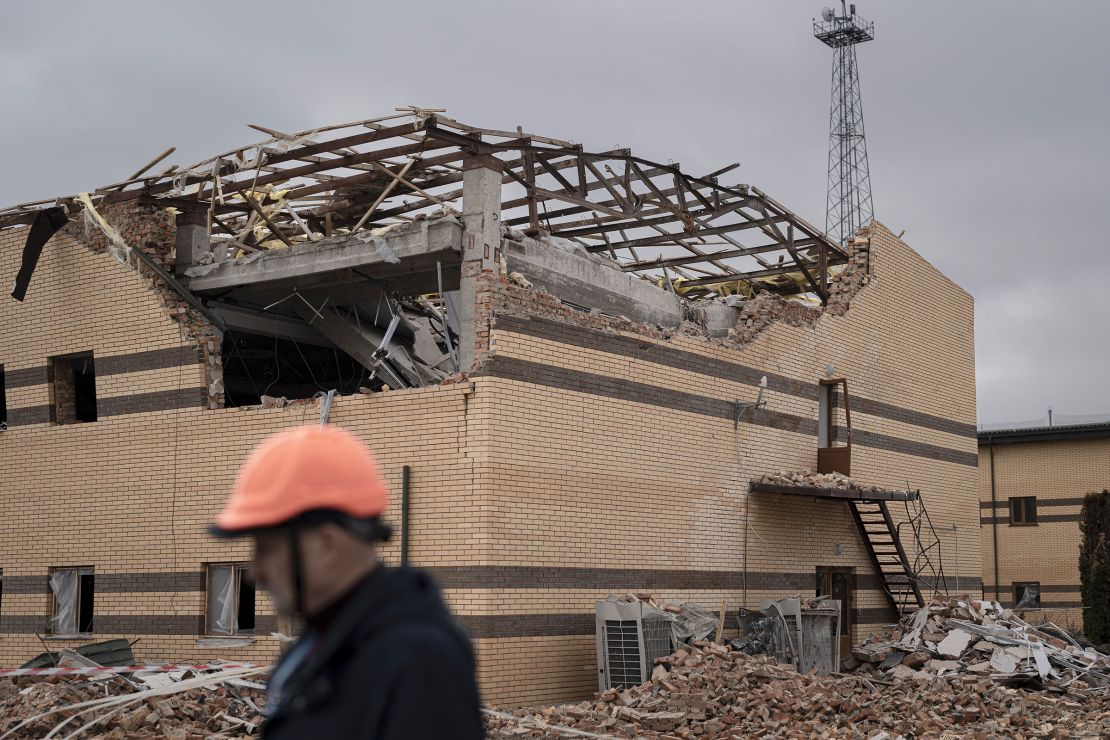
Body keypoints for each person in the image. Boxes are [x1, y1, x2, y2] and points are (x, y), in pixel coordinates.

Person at [210, 424, 484, 739]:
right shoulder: (322, 643)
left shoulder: (418, 660)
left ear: (327, 544)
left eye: (267, 547)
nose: (254, 572)